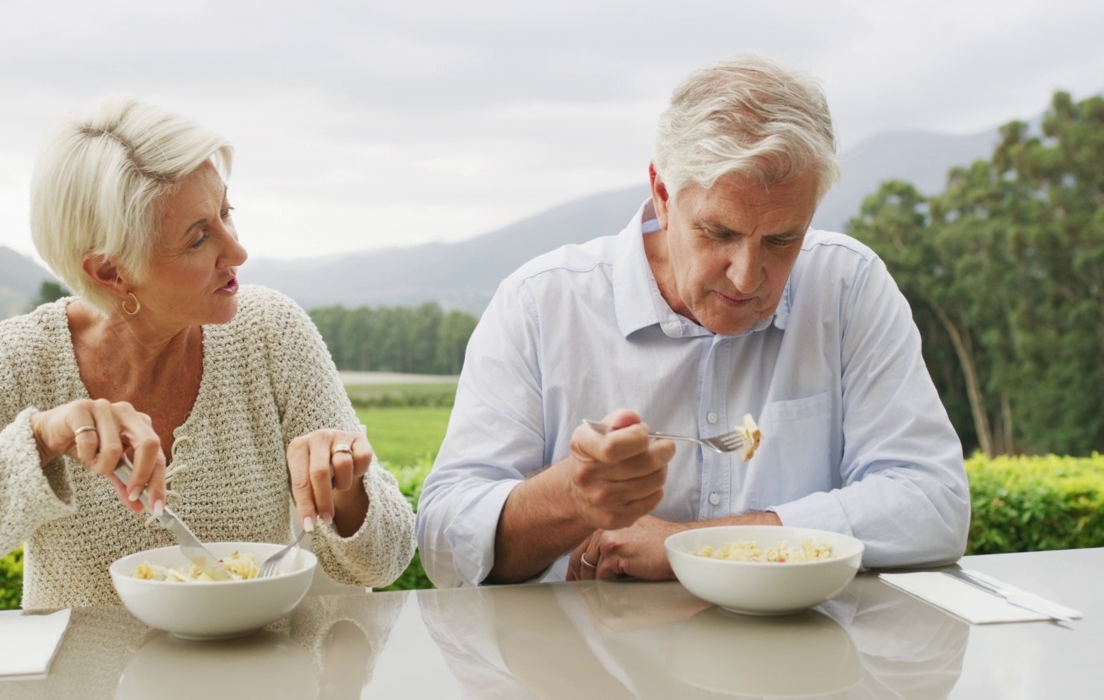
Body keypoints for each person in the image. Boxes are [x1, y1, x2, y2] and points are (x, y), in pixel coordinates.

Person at [0, 97, 416, 616]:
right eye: (197, 237)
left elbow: (385, 559)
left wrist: (345, 490)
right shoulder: (11, 362)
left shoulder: (272, 332)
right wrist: (39, 442)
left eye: (227, 213)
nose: (237, 250)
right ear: (111, 271)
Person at [415, 54, 970, 587]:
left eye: (782, 239)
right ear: (662, 194)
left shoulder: (848, 288)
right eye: (719, 233)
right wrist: (571, 498)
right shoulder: (541, 305)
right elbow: (443, 542)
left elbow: (934, 504)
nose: (747, 277)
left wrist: (696, 545)